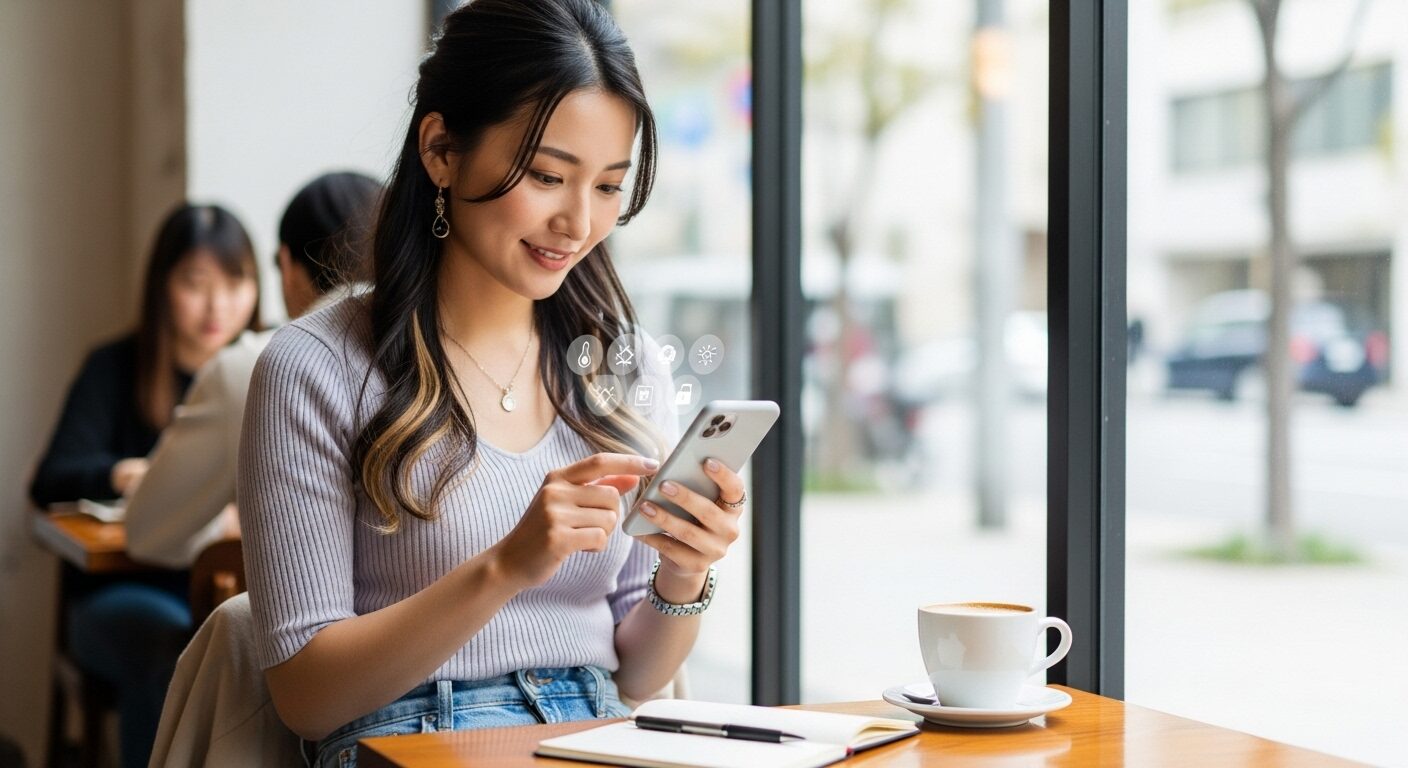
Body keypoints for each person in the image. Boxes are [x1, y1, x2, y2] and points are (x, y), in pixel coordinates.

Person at [238, 2, 747, 764]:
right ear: (442, 149)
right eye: (547, 176)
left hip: (595, 737)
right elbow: (309, 698)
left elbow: (637, 673)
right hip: (404, 741)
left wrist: (684, 571)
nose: (578, 222)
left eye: (608, 186)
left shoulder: (624, 363)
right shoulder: (315, 368)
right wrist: (507, 567)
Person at [29, 203, 260, 768]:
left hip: (228, 585)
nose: (217, 305)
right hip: (127, 589)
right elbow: (50, 479)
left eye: (235, 283)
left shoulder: (264, 367)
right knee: (166, 638)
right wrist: (117, 472)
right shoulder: (115, 368)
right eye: (195, 283)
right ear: (162, 286)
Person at [125, 172, 382, 569]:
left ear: (286, 265)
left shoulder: (253, 366)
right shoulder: (453, 350)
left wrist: (232, 527)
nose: (217, 306)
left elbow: (147, 531)